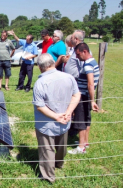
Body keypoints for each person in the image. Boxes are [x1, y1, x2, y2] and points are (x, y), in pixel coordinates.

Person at [33, 53, 80, 183]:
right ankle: (59, 163)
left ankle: (48, 177)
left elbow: (40, 106)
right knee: (62, 145)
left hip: (46, 124)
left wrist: (56, 117)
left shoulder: (40, 83)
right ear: (53, 63)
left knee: (47, 148)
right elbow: (76, 95)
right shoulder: (69, 77)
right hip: (65, 120)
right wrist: (68, 112)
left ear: (40, 67)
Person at [68, 43, 99, 154]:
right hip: (86, 96)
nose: (77, 57)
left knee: (80, 120)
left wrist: (92, 101)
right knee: (87, 119)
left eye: (78, 54)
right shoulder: (93, 62)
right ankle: (85, 142)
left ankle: (81, 148)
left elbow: (90, 84)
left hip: (83, 96)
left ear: (84, 51)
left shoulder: (87, 65)